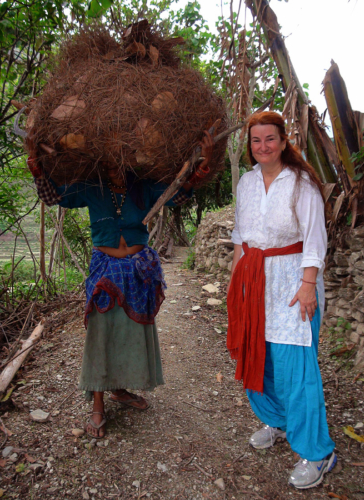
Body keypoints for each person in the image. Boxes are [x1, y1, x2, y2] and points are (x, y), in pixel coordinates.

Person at [28, 131, 214, 438]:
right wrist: (36, 165)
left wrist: (203, 165)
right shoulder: (91, 188)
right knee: (102, 334)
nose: (114, 166)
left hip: (138, 270)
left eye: (120, 159)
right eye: (109, 160)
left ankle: (119, 389)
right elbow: (53, 197)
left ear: (130, 160)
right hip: (106, 270)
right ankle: (98, 405)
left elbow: (177, 194)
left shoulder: (143, 187)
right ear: (100, 163)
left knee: (130, 333)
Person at [226, 111, 336, 489]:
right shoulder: (247, 182)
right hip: (254, 281)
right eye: (256, 141)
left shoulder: (300, 183)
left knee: (296, 367)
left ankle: (318, 452)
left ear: (284, 141)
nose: (262, 147)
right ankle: (276, 420)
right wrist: (235, 283)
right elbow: (241, 237)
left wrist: (309, 284)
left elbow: (315, 236)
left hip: (292, 280)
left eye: (269, 139)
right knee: (261, 357)